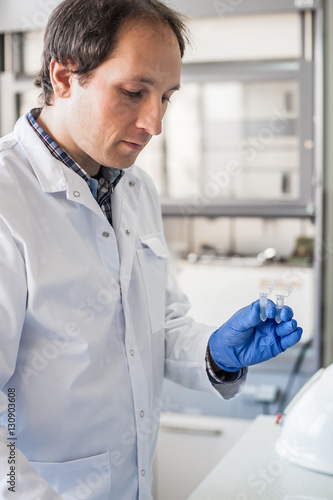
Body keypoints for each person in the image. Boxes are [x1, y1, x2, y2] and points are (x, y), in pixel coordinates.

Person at [0, 0, 302, 499]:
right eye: (134, 92)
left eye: (166, 97)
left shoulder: (133, 188)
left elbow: (156, 325)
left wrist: (215, 352)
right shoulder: (8, 197)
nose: (154, 123)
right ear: (63, 76)